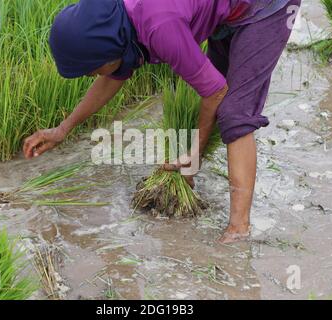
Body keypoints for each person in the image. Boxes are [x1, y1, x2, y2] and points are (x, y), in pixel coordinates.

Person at [23, 0, 301, 243]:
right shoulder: (120, 23)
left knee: (234, 114)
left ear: (106, 50)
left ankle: (239, 228)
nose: (90, 75)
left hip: (267, 7)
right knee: (205, 101)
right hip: (228, 12)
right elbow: (112, 76)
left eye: (91, 68)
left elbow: (216, 91)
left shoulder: (158, 26)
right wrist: (62, 129)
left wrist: (196, 152)